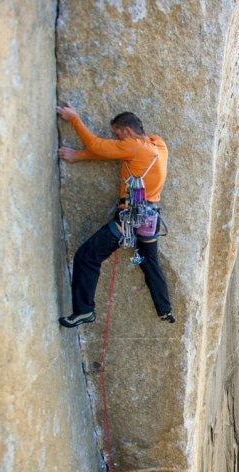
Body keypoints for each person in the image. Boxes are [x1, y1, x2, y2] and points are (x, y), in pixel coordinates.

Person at [55, 105, 176, 327]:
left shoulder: (134, 147)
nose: (115, 139)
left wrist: (74, 119)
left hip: (130, 217)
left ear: (128, 131)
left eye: (117, 134)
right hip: (151, 218)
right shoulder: (158, 144)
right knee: (149, 262)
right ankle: (164, 308)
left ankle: (83, 311)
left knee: (87, 256)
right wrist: (78, 156)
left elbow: (98, 146)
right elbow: (111, 152)